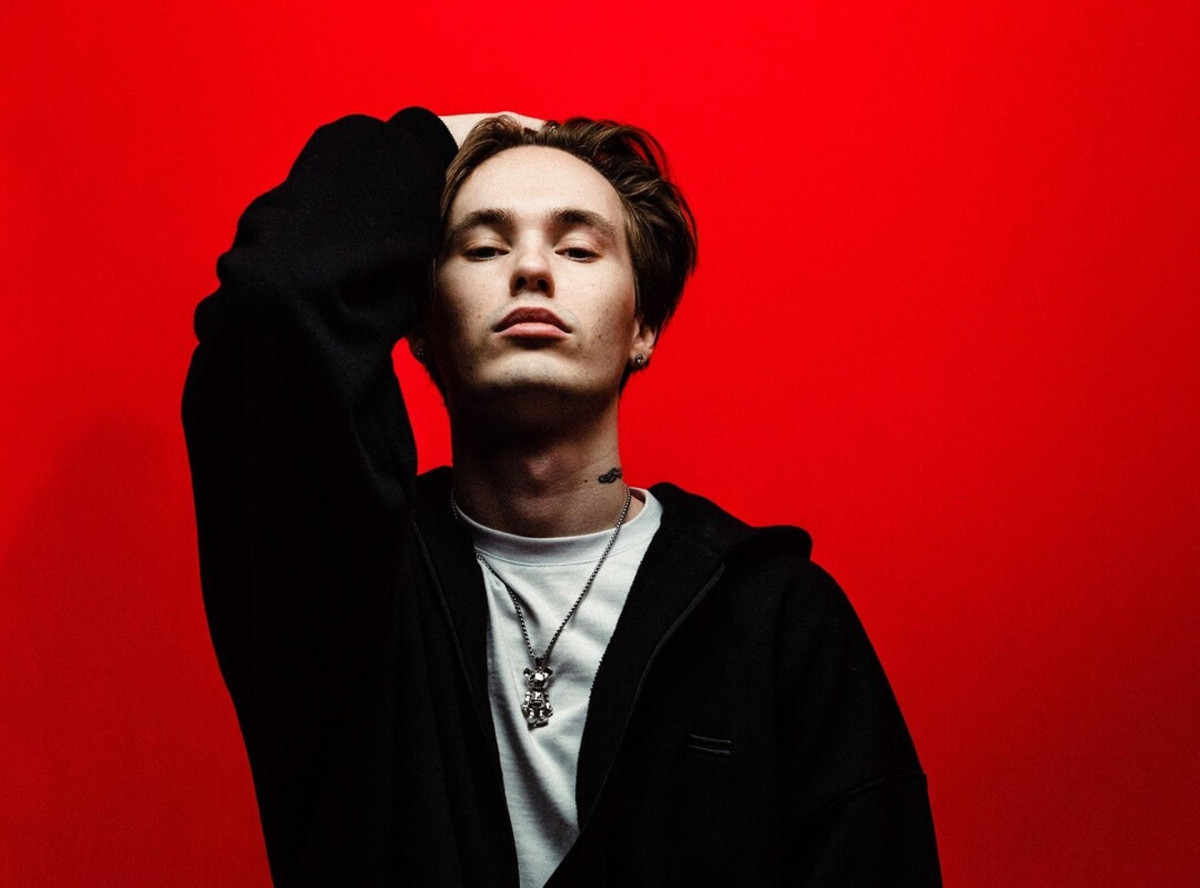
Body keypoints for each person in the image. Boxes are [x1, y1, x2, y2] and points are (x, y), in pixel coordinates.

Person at [183, 106, 941, 887]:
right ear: (421, 326)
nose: (532, 271)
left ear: (642, 325)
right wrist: (434, 138)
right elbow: (278, 299)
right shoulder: (347, 578)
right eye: (484, 247)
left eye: (578, 247)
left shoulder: (776, 618)